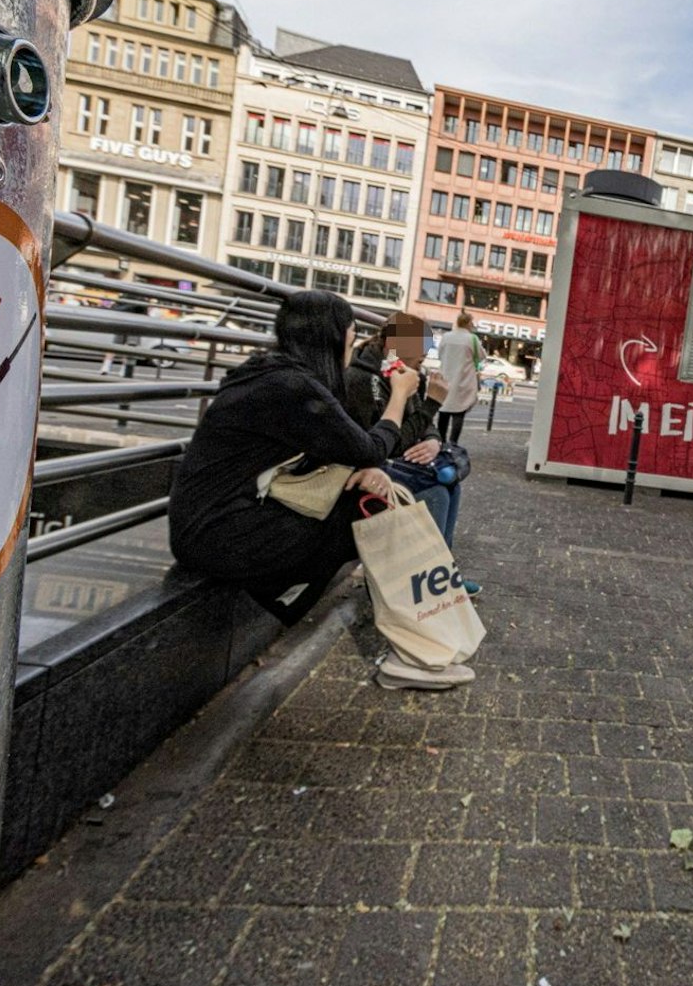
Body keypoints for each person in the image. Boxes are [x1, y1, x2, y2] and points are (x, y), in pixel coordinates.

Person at [169, 290, 471, 689]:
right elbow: (369, 447)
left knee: (369, 500)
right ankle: (409, 653)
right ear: (331, 339)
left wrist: (363, 468)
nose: (352, 346)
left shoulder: (276, 376)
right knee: (372, 511)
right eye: (350, 337)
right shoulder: (293, 387)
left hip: (219, 520)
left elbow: (343, 450)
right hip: (217, 532)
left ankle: (403, 645)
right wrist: (400, 398)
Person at [342, 312, 481, 596]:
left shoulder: (403, 372)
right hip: (369, 470)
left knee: (449, 480)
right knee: (436, 490)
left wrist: (432, 441)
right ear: (395, 345)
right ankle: (426, 583)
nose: (425, 356)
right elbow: (384, 445)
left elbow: (424, 425)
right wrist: (432, 404)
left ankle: (440, 571)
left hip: (396, 463)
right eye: (420, 348)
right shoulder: (362, 380)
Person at [435, 312, 484, 443]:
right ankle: (453, 443)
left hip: (446, 377)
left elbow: (440, 355)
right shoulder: (472, 339)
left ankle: (441, 441)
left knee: (443, 411)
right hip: (463, 379)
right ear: (468, 323)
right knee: (459, 412)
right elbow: (481, 356)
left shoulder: (446, 336)